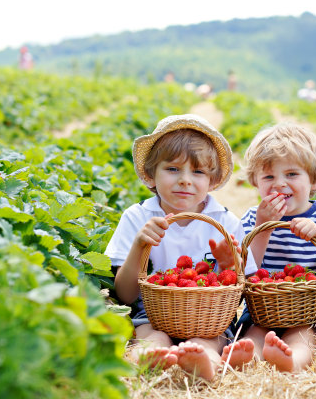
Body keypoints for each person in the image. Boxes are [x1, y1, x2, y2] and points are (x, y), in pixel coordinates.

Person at [105, 114, 258, 380]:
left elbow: (239, 293)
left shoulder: (225, 222)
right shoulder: (138, 217)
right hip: (151, 314)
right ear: (151, 174)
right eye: (173, 169)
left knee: (209, 339)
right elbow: (125, 295)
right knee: (151, 335)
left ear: (212, 180)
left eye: (197, 172)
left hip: (209, 319)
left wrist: (228, 266)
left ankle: (206, 361)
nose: (185, 180)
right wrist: (140, 246)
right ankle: (150, 357)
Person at [221, 122, 316, 373]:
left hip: (314, 307)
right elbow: (242, 274)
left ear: (314, 179)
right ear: (255, 182)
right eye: (268, 177)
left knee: (303, 332)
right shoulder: (252, 219)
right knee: (256, 329)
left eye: (292, 174)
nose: (279, 184)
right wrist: (263, 227)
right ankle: (247, 355)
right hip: (265, 307)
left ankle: (293, 360)